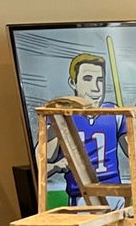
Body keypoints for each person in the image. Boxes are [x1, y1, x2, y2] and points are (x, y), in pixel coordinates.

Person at [43, 53, 123, 205]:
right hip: (83, 197)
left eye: (100, 80)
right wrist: (56, 166)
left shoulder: (115, 113)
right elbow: (41, 164)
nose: (96, 87)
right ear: (73, 82)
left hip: (116, 194)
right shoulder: (62, 116)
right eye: (88, 79)